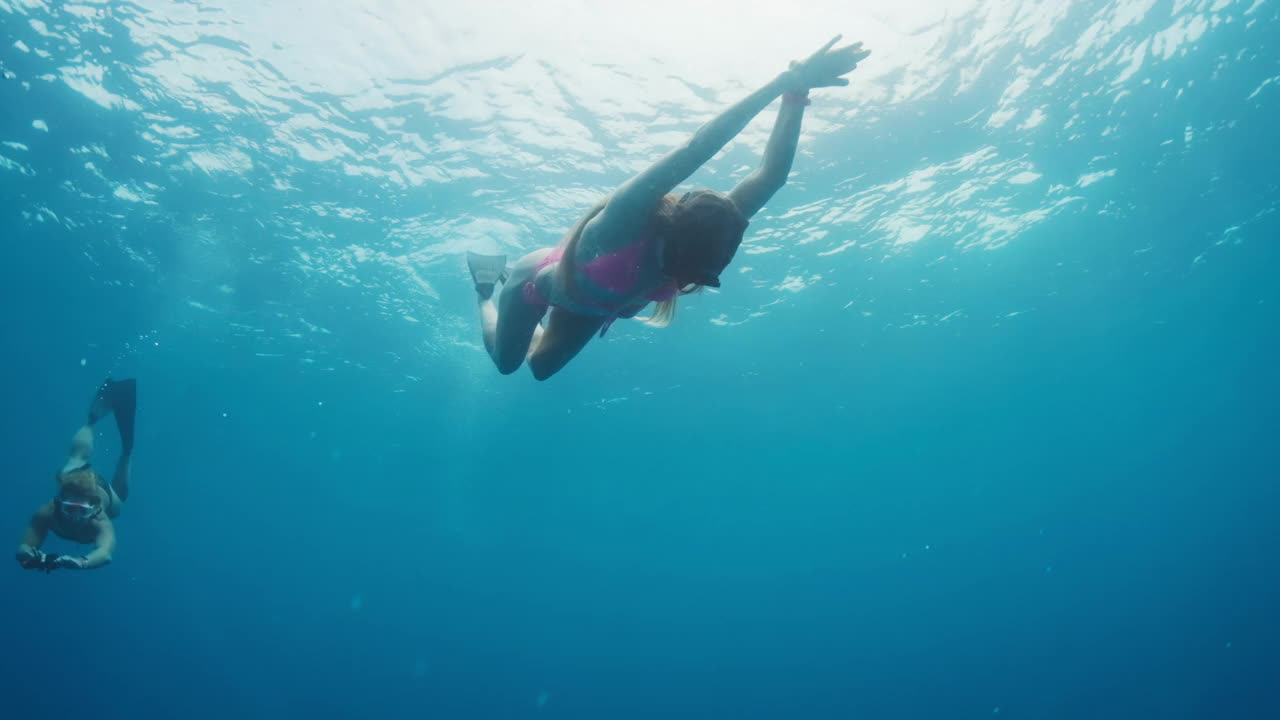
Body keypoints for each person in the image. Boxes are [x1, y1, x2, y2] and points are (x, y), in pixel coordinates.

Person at [465, 35, 870, 380]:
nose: (691, 280)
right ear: (676, 241)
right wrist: (784, 81)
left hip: (590, 305)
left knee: (541, 369)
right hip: (537, 283)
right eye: (690, 270)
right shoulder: (624, 220)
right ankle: (487, 290)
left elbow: (771, 177)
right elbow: (697, 146)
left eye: (703, 274)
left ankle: (522, 315)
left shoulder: (719, 229)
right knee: (508, 364)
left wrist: (796, 98)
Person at [16, 378, 136, 573]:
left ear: (95, 508)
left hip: (102, 489)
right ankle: (91, 421)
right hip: (73, 477)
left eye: (81, 510)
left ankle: (126, 452)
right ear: (59, 502)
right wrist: (28, 553)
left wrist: (82, 561)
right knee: (76, 457)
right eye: (70, 508)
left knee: (119, 501)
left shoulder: (100, 520)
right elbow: (24, 546)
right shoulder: (48, 512)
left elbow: (105, 552)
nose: (74, 517)